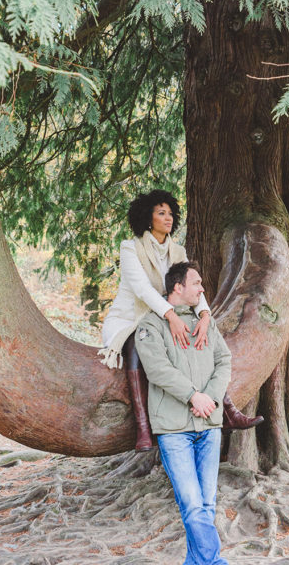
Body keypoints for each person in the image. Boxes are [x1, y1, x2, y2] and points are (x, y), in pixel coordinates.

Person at [99, 190, 262, 449]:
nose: (169, 218)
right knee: (136, 347)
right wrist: (171, 316)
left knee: (200, 344)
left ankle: (228, 411)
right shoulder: (130, 248)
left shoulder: (178, 251)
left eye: (171, 213)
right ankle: (143, 429)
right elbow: (142, 289)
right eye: (161, 213)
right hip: (131, 317)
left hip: (164, 316)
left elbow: (192, 284)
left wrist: (205, 315)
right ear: (147, 217)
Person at [135, 261, 242, 565]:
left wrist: (209, 398)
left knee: (206, 504)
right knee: (193, 505)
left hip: (208, 427)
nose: (202, 290)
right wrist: (191, 395)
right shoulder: (150, 326)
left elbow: (224, 361)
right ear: (177, 287)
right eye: (197, 283)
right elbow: (157, 370)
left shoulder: (206, 324)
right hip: (175, 430)